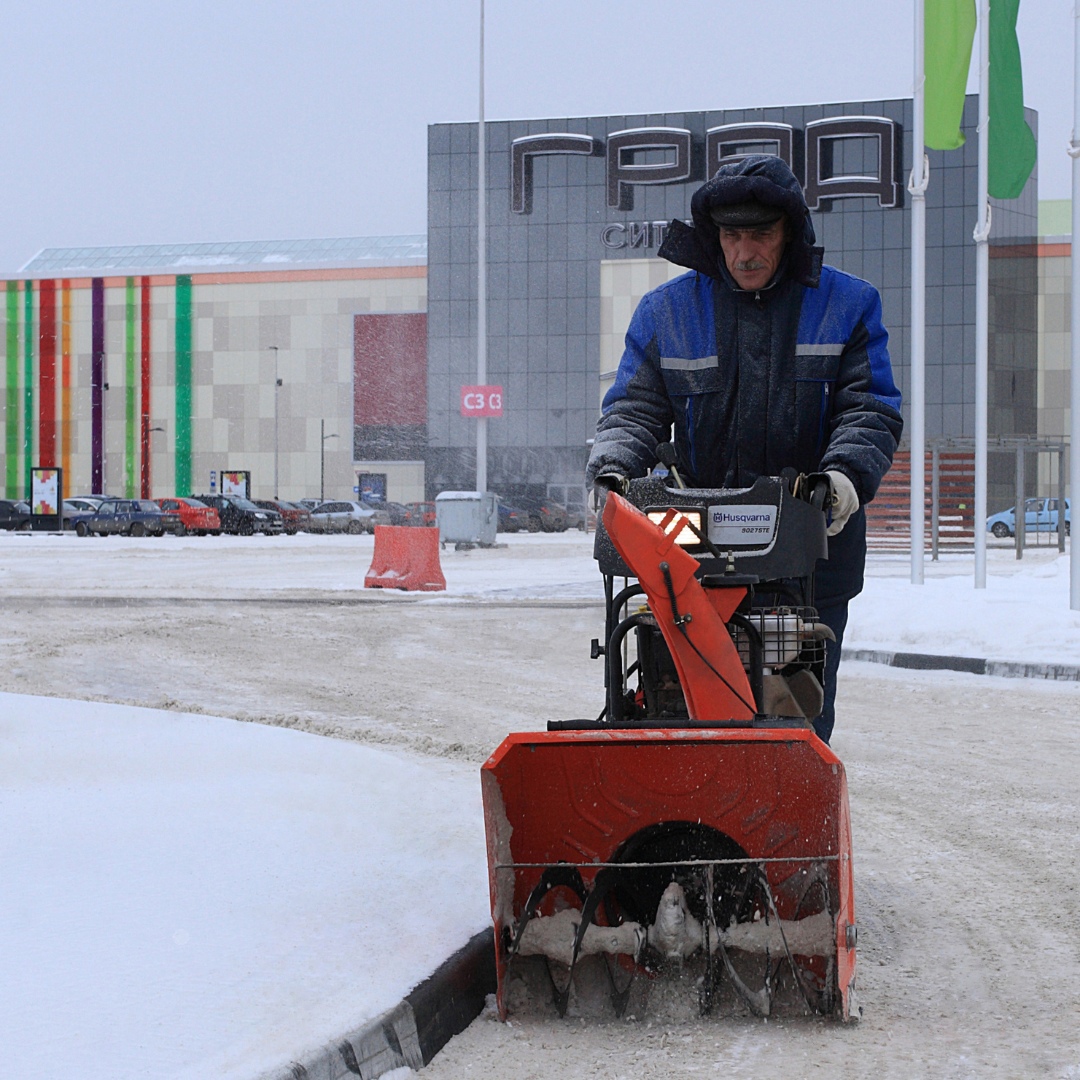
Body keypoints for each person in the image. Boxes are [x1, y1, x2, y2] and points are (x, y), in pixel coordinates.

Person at [586, 154, 903, 743]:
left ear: (791, 233)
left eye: (761, 234)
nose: (745, 251)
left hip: (810, 546)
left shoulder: (846, 307)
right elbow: (632, 409)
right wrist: (613, 472)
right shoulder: (668, 313)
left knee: (793, 716)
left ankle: (787, 824)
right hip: (692, 547)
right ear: (715, 237)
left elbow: (870, 408)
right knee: (676, 702)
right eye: (733, 236)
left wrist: (841, 480)